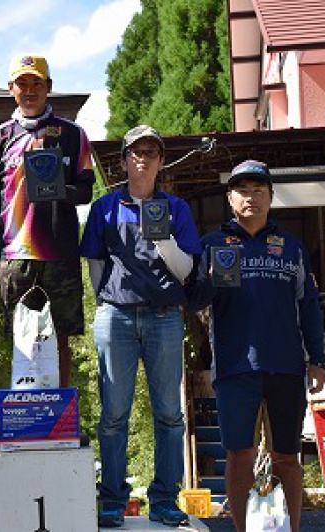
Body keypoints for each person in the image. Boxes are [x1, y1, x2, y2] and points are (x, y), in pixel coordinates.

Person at [186, 160, 325, 532]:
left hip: (287, 365)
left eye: (259, 191)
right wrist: (211, 281)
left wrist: (319, 360)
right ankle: (242, 529)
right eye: (243, 191)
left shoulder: (292, 248)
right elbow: (194, 301)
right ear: (230, 199)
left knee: (287, 456)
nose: (251, 198)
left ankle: (292, 528)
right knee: (238, 455)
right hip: (235, 367)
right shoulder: (212, 245)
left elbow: (309, 306)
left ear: (271, 197)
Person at [80, 125, 201, 528]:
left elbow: (186, 271)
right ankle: (113, 499)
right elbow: (95, 265)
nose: (144, 158)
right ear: (123, 160)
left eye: (152, 152)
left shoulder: (178, 209)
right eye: (136, 152)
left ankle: (165, 500)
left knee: (169, 413)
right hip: (116, 316)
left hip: (165, 316)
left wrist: (163, 238)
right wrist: (109, 300)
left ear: (161, 161)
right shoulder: (105, 208)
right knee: (114, 413)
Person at [0, 54, 95, 387]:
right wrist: (9, 218)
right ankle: (22, 415)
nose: (30, 90)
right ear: (10, 88)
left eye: (37, 83)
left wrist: (57, 190)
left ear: (49, 87)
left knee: (61, 337)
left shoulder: (73, 134)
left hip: (60, 250)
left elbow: (86, 191)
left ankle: (60, 415)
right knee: (18, 334)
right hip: (16, 252)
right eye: (22, 83)